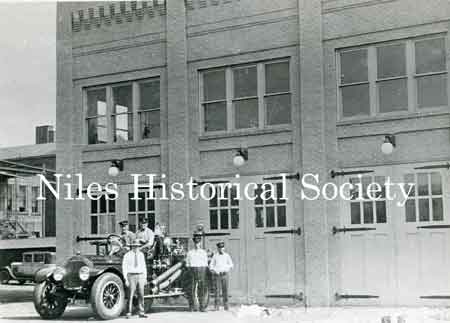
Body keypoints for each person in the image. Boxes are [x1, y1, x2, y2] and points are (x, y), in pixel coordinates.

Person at [122, 239, 147, 319]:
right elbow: (124, 267)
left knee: (141, 294)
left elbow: (144, 266)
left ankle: (141, 312)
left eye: (137, 246)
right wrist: (125, 279)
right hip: (131, 276)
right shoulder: (127, 255)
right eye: (134, 246)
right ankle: (129, 312)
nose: (136, 248)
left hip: (140, 275)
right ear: (132, 246)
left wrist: (145, 277)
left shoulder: (141, 255)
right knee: (131, 295)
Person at [186, 234, 209, 312]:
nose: (197, 245)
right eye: (196, 243)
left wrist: (203, 271)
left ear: (200, 243)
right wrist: (190, 270)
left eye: (198, 243)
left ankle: (202, 307)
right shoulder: (190, 253)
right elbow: (187, 264)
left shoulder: (203, 252)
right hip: (192, 270)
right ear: (194, 243)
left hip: (201, 270)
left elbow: (206, 263)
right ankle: (192, 307)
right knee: (192, 289)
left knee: (201, 289)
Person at [209, 241, 233, 310]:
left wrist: (226, 268)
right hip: (217, 275)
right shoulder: (215, 256)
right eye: (220, 248)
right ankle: (217, 306)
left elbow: (231, 264)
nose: (221, 249)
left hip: (225, 275)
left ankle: (226, 306)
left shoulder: (227, 256)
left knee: (225, 290)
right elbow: (211, 265)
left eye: (222, 247)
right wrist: (214, 270)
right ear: (218, 248)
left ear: (224, 248)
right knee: (217, 291)